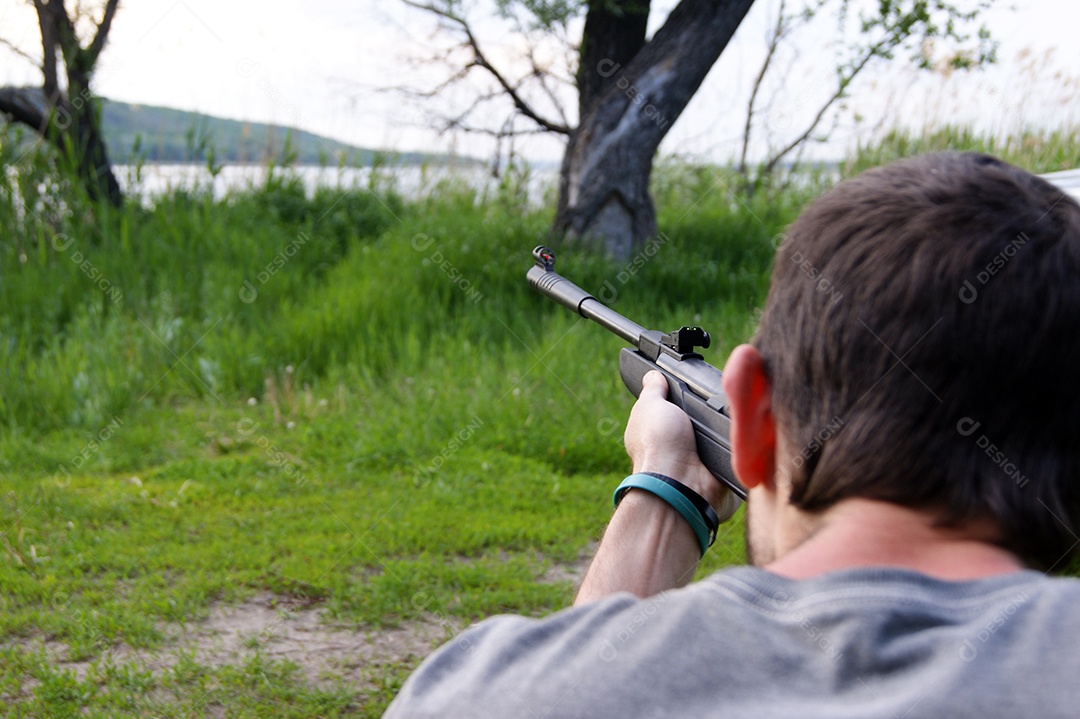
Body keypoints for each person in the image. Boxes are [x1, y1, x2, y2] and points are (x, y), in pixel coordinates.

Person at [383, 152, 1080, 717]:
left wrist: (658, 493)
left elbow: (570, 688)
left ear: (750, 412)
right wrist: (674, 487)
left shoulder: (472, 694)